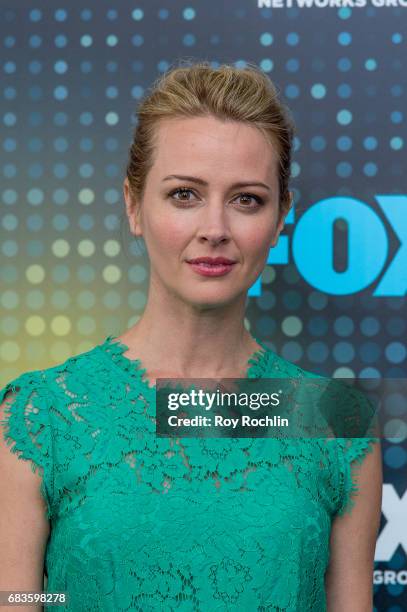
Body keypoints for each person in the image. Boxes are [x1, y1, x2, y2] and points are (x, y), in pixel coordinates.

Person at [0, 60, 382, 611]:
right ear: (134, 206)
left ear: (280, 220)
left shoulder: (333, 421)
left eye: (246, 199)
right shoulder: (42, 416)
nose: (215, 229)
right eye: (184, 194)